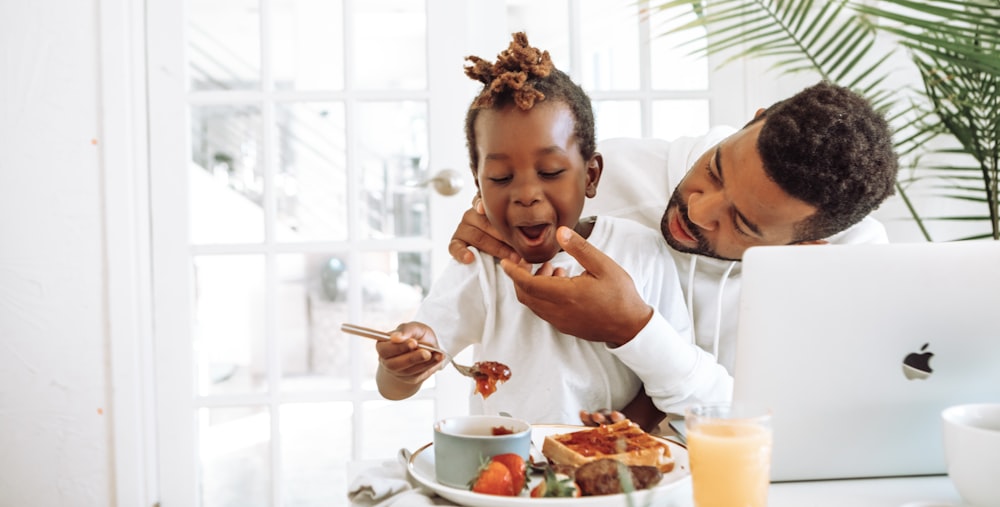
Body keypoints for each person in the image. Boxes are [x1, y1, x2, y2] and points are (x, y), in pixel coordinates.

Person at [450, 81, 899, 430]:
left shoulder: (848, 273)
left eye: (741, 223)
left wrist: (633, 330)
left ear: (804, 250)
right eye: (715, 170)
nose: (697, 209)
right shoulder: (607, 175)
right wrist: (486, 220)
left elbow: (762, 430)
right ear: (751, 122)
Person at [373, 32, 699, 425]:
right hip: (504, 469)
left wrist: (619, 432)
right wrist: (400, 367)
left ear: (591, 176)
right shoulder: (483, 264)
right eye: (499, 177)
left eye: (550, 172)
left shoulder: (641, 250)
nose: (526, 194)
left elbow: (671, 372)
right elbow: (400, 381)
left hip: (612, 471)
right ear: (477, 185)